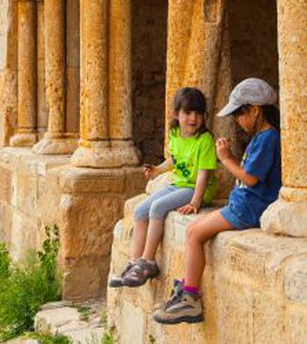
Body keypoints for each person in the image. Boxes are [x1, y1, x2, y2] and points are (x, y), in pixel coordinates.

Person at [153, 77, 281, 325]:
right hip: (241, 204)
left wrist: (225, 158)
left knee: (194, 234)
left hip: (248, 208)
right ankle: (184, 291)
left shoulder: (268, 139)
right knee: (192, 229)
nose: (236, 121)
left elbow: (251, 179)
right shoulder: (261, 138)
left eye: (238, 114)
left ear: (254, 110)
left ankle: (190, 300)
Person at [109, 87, 217, 288]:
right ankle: (134, 263)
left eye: (198, 113)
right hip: (179, 185)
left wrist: (196, 201)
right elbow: (175, 160)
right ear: (176, 113)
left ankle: (148, 262)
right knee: (141, 210)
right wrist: (157, 170)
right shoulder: (175, 133)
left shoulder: (205, 140)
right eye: (188, 112)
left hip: (196, 189)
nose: (193, 118)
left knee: (157, 208)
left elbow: (203, 175)